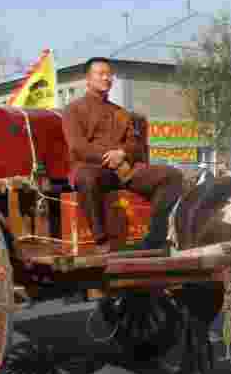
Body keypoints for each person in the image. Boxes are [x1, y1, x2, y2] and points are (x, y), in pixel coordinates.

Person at [62, 57, 184, 254]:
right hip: (92, 169)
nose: (106, 78)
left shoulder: (120, 113)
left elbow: (134, 144)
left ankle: (154, 237)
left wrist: (122, 153)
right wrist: (109, 157)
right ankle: (101, 240)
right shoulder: (73, 109)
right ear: (88, 79)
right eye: (100, 74)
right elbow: (78, 147)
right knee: (86, 177)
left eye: (109, 74)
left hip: (124, 170)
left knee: (173, 176)